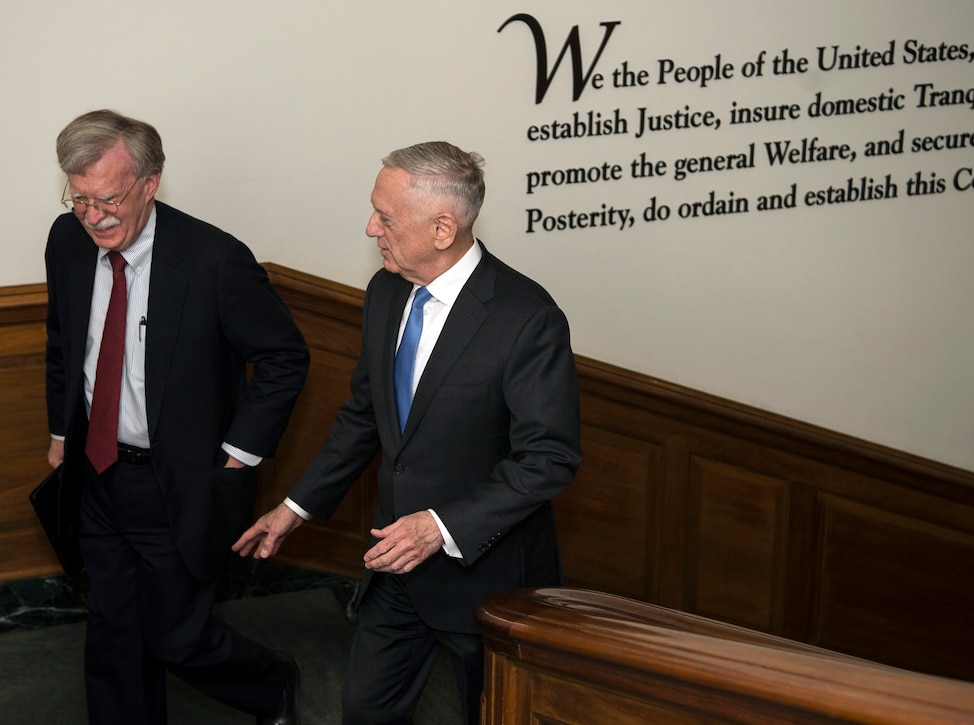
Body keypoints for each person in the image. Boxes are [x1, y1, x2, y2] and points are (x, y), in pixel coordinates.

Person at [234, 141, 582, 724]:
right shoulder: (386, 292)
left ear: (442, 227)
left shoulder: (526, 317)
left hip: (485, 581)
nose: (371, 227)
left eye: (386, 217)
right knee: (365, 712)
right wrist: (296, 506)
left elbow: (548, 458)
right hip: (393, 570)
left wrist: (439, 527)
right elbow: (365, 416)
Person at [44, 109, 310, 725]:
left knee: (173, 637)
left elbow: (283, 356)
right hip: (95, 473)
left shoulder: (214, 260)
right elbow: (64, 344)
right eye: (78, 198)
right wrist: (62, 434)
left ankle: (271, 684)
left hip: (177, 482)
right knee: (112, 632)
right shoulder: (67, 241)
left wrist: (237, 454)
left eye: (107, 197)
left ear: (150, 182)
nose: (93, 216)